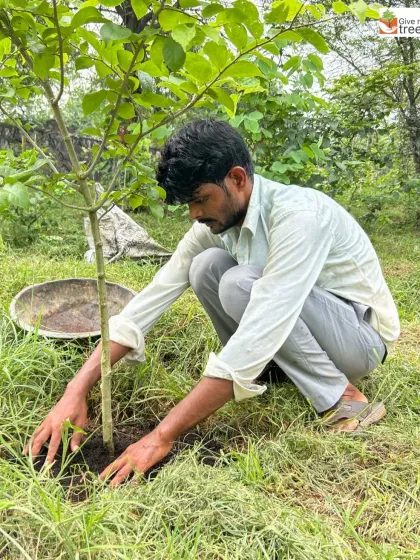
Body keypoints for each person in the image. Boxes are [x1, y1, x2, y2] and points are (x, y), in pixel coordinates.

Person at [24, 119, 400, 487]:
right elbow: (152, 298)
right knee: (205, 267)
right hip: (303, 328)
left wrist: (162, 435)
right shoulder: (216, 224)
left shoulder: (299, 217)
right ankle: (273, 370)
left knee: (240, 284)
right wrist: (77, 388)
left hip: (359, 340)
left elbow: (264, 324)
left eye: (201, 199)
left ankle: (343, 397)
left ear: (237, 178)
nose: (194, 214)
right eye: (189, 203)